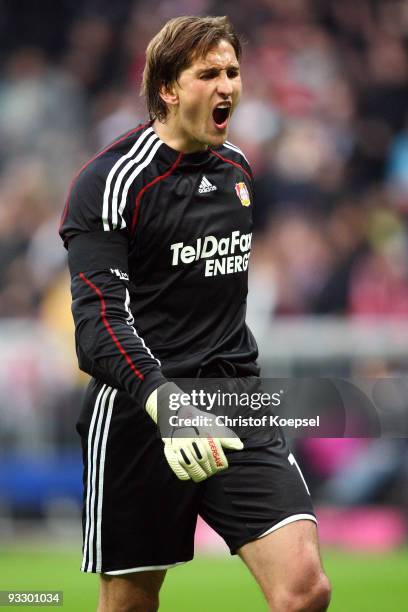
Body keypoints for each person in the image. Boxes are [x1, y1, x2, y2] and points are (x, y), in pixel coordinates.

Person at [59, 15, 331, 612]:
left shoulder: (237, 170)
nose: (227, 86)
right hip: (139, 411)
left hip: (235, 400)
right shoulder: (110, 182)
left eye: (233, 72)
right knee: (131, 605)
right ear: (168, 88)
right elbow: (96, 326)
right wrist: (164, 400)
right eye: (208, 73)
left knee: (305, 591)